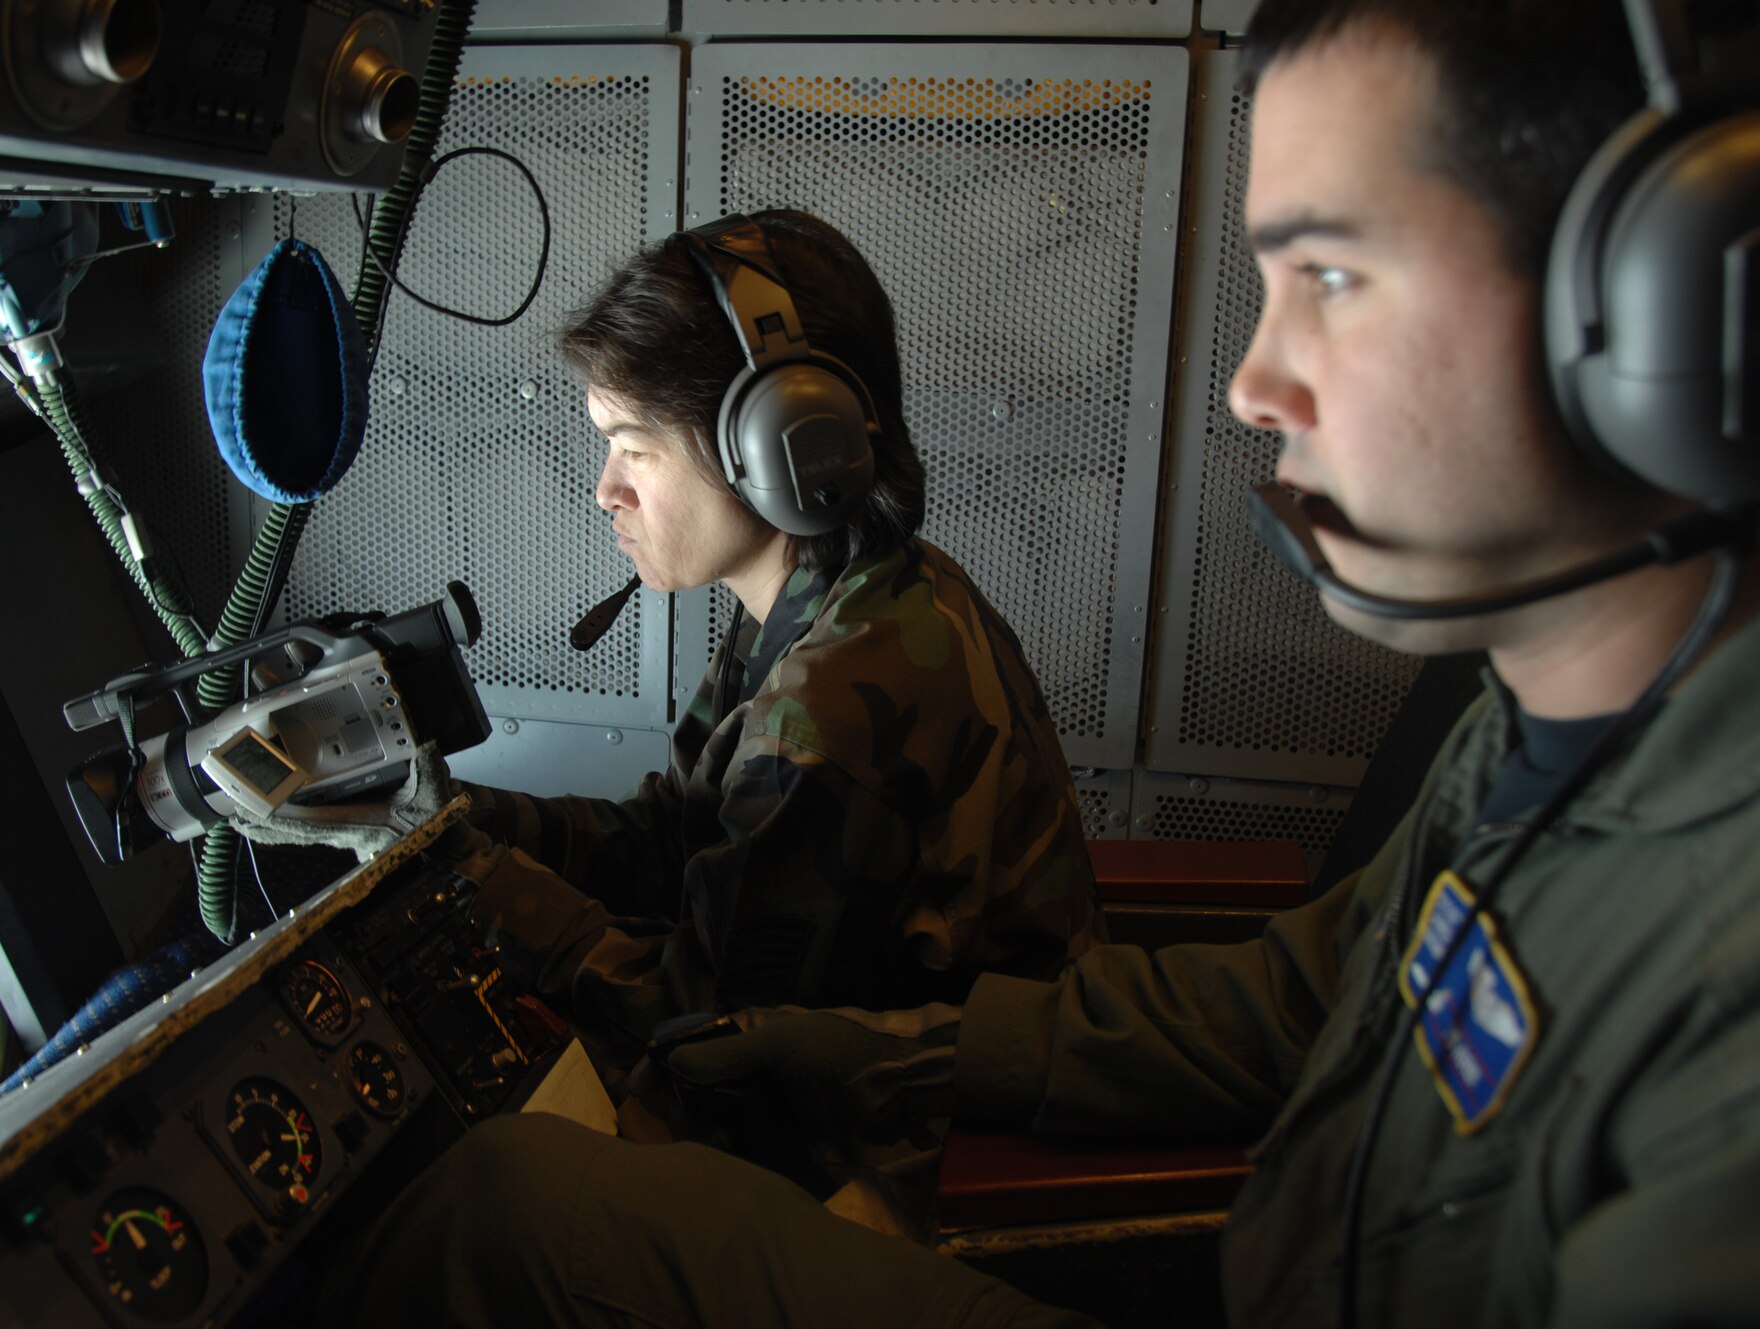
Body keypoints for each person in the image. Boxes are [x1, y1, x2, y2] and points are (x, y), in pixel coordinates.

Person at [325, 1, 1760, 1325]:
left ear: (1675, 310)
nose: (1252, 388)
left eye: (1332, 273)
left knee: (500, 1214)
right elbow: (1286, 1003)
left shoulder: (1727, 1013)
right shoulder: (1530, 733)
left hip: (993, 1202)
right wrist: (886, 1053)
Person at [436, 208, 1100, 1054]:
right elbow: (676, 841)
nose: (606, 488)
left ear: (778, 442)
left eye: (634, 448)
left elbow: (697, 1027)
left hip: (932, 1143)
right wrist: (458, 821)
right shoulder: (846, 592)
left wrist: (482, 886)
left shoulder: (827, 708)